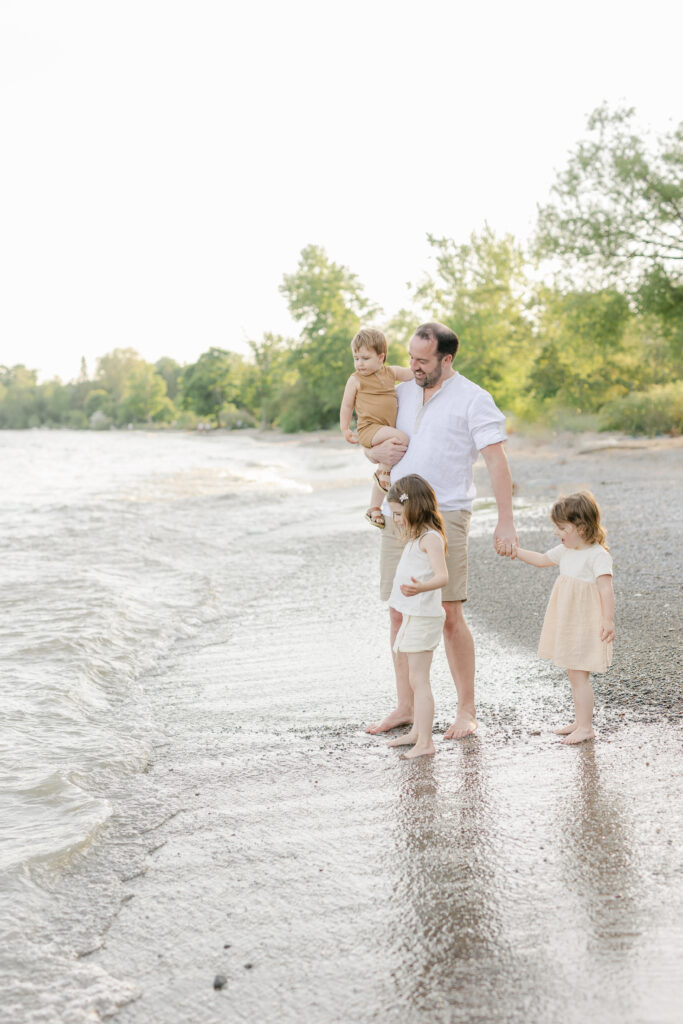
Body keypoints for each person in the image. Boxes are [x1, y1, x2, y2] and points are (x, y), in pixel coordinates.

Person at [365, 321, 518, 740]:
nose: (411, 366)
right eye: (410, 356)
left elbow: (496, 461)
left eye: (422, 360)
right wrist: (372, 457)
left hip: (444, 513)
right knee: (398, 610)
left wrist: (505, 520)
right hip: (398, 513)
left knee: (449, 612)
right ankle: (406, 706)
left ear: (446, 359)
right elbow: (376, 446)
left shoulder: (473, 398)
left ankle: (466, 711)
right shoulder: (401, 392)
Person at [511, 491, 615, 744]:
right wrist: (516, 551)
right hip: (568, 620)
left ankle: (586, 727)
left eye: (561, 528)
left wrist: (608, 620)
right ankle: (580, 721)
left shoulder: (597, 554)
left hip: (584, 621)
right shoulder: (566, 550)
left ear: (580, 527)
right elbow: (542, 559)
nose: (557, 533)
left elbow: (606, 589)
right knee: (573, 672)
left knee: (579, 675)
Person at [383, 474, 449, 759]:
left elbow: (443, 576)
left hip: (424, 616)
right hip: (413, 615)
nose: (396, 520)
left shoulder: (431, 539)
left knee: (420, 681)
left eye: (398, 514)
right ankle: (416, 733)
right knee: (413, 679)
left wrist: (421, 587)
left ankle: (426, 743)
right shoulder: (416, 537)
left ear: (414, 507)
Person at [339, 328, 414, 528]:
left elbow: (413, 373)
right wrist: (345, 429)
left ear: (381, 357)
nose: (359, 363)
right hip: (369, 429)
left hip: (383, 430)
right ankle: (383, 474)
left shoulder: (391, 373)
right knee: (403, 439)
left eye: (365, 358)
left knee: (385, 466)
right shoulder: (355, 380)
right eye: (356, 358)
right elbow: (346, 405)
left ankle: (374, 509)